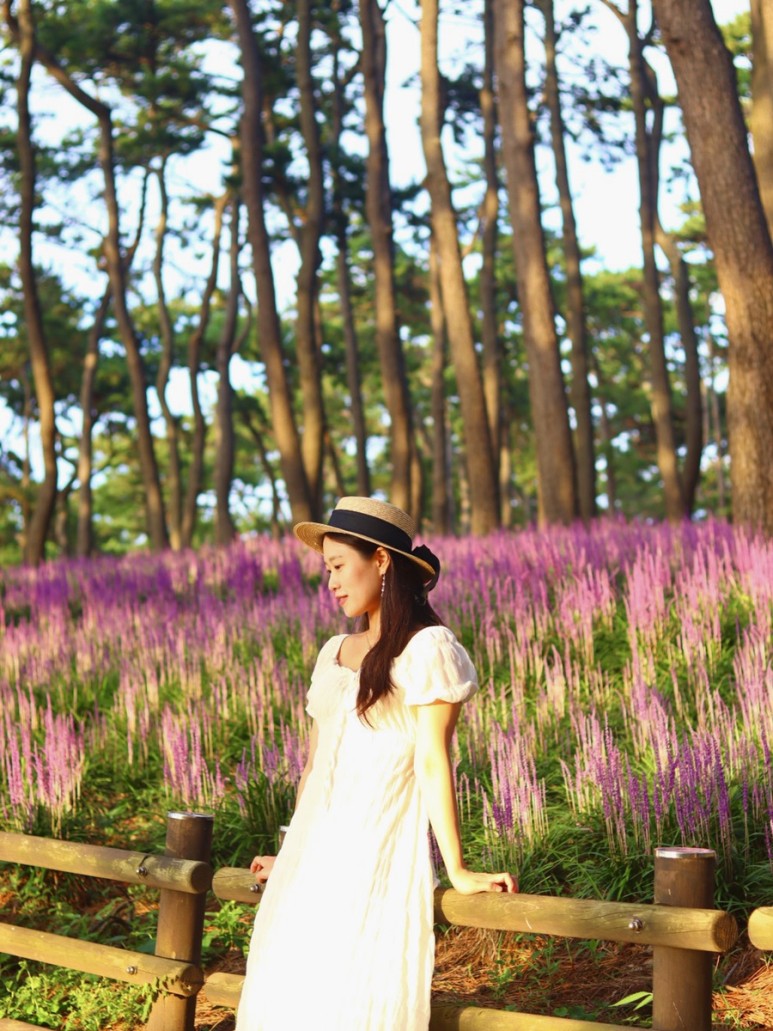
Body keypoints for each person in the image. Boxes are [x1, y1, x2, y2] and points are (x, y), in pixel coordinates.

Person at [235, 496, 516, 1031]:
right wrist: (291, 853)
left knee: (350, 1005)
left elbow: (432, 761)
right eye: (327, 570)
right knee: (285, 1001)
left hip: (375, 855)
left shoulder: (429, 648)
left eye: (340, 566)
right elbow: (316, 767)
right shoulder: (333, 652)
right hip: (312, 864)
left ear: (381, 560)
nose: (332, 582)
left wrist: (457, 869)